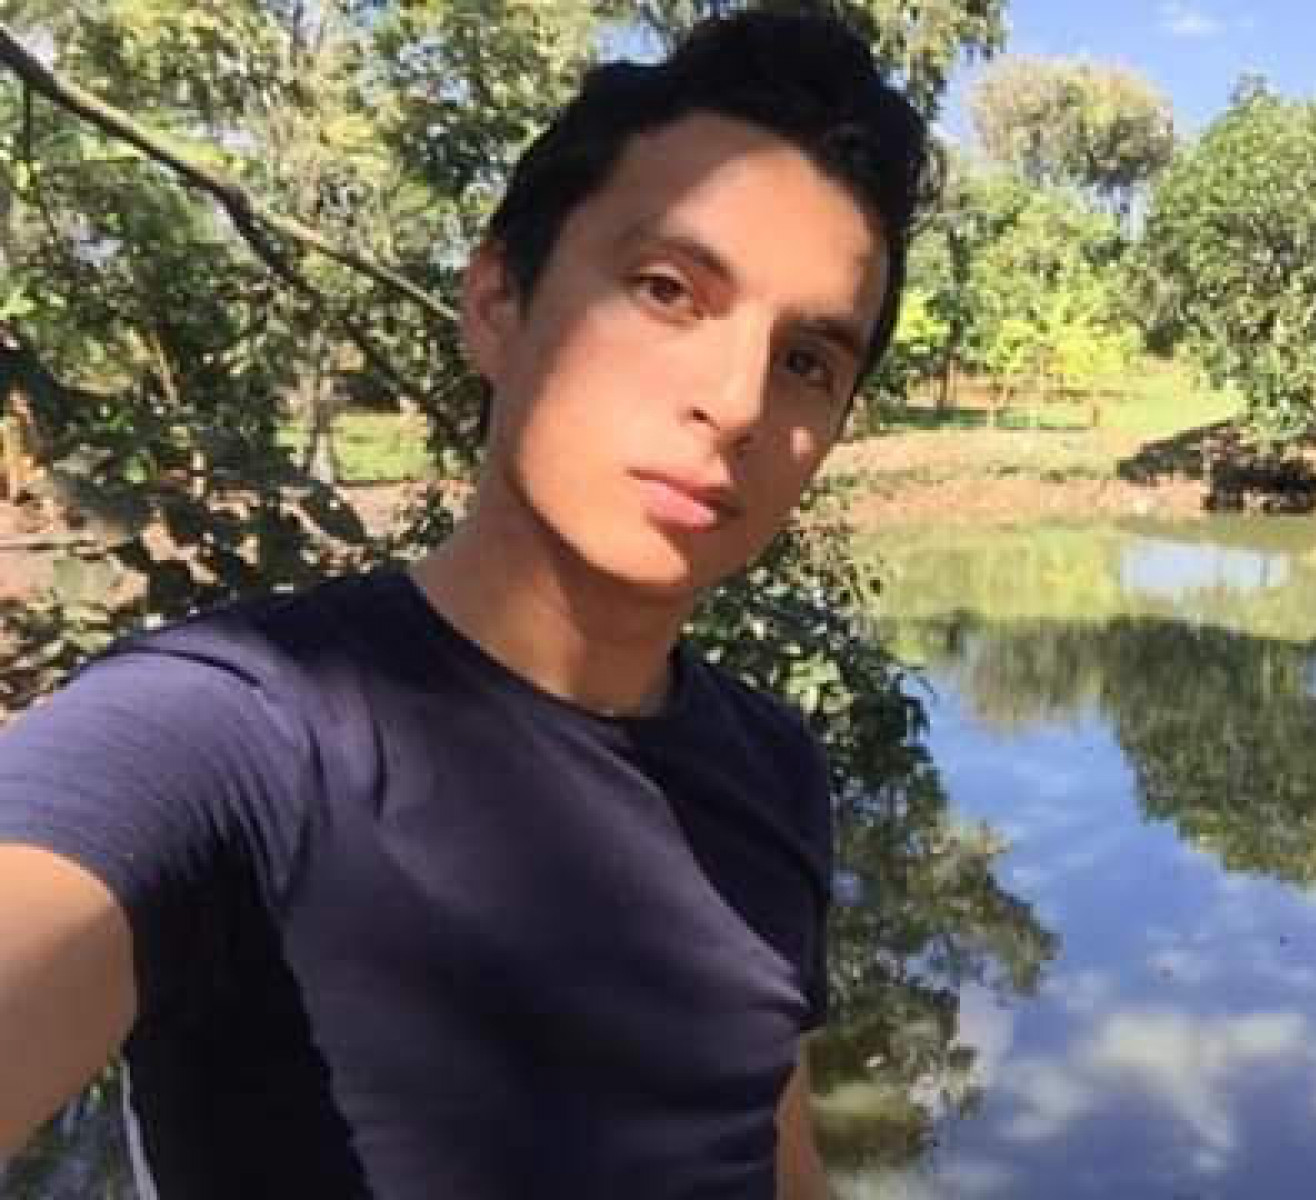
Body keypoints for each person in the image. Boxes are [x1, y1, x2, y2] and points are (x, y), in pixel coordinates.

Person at [0, 8, 932, 1197]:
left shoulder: (771, 767)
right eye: (666, 289)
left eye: (807, 360)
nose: (739, 402)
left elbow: (775, 1159)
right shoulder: (238, 734)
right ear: (496, 300)